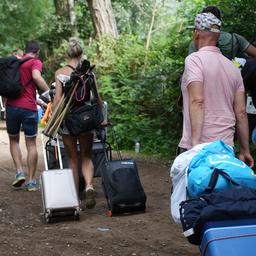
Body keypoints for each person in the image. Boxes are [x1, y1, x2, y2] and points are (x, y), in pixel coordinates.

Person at [178, 12, 254, 168]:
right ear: (218, 36)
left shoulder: (194, 60)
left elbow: (197, 100)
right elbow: (241, 113)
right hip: (225, 147)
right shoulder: (233, 69)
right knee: (219, 189)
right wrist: (245, 150)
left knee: (191, 190)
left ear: (196, 33)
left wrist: (195, 145)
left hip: (199, 146)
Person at [52, 38, 102, 209]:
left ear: (68, 54)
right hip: (86, 119)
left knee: (73, 159)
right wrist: (101, 118)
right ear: (81, 54)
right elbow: (97, 99)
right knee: (86, 156)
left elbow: (58, 100)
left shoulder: (60, 72)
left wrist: (54, 118)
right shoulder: (89, 72)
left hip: (69, 120)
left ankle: (75, 199)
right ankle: (88, 185)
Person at [6, 41, 49, 191]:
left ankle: (19, 173)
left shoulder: (16, 63)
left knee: (14, 140)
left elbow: (22, 89)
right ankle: (31, 181)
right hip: (29, 109)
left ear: (26, 51)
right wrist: (49, 94)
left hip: (11, 107)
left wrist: (40, 102)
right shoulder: (35, 62)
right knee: (31, 144)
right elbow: (36, 78)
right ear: (37, 51)